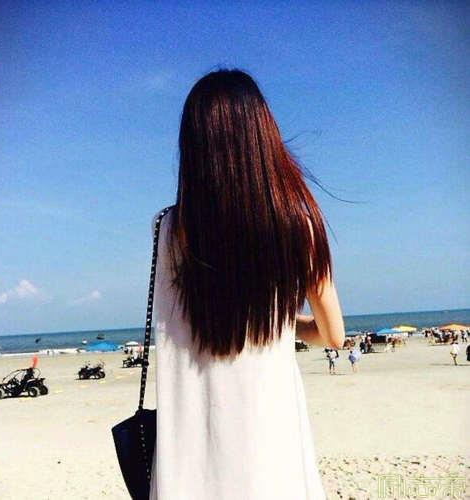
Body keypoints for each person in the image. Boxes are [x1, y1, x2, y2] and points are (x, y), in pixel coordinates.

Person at [148, 68, 345, 500]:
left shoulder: (169, 230)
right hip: (273, 461)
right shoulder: (299, 224)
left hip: (188, 469)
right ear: (263, 137)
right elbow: (333, 335)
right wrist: (286, 322)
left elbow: (196, 314)